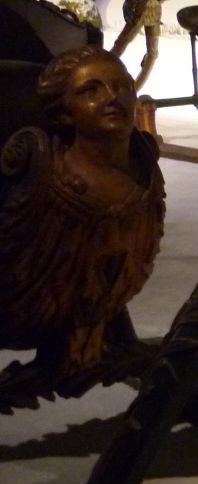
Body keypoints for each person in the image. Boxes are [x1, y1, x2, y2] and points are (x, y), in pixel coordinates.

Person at [0, 47, 164, 379]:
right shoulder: (47, 174)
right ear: (64, 113)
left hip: (101, 306)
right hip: (22, 314)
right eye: (91, 91)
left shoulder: (144, 169)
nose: (111, 98)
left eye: (121, 87)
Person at [110, 0, 171, 89]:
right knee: (122, 42)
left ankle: (136, 86)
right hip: (138, 20)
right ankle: (106, 62)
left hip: (152, 21)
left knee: (152, 53)